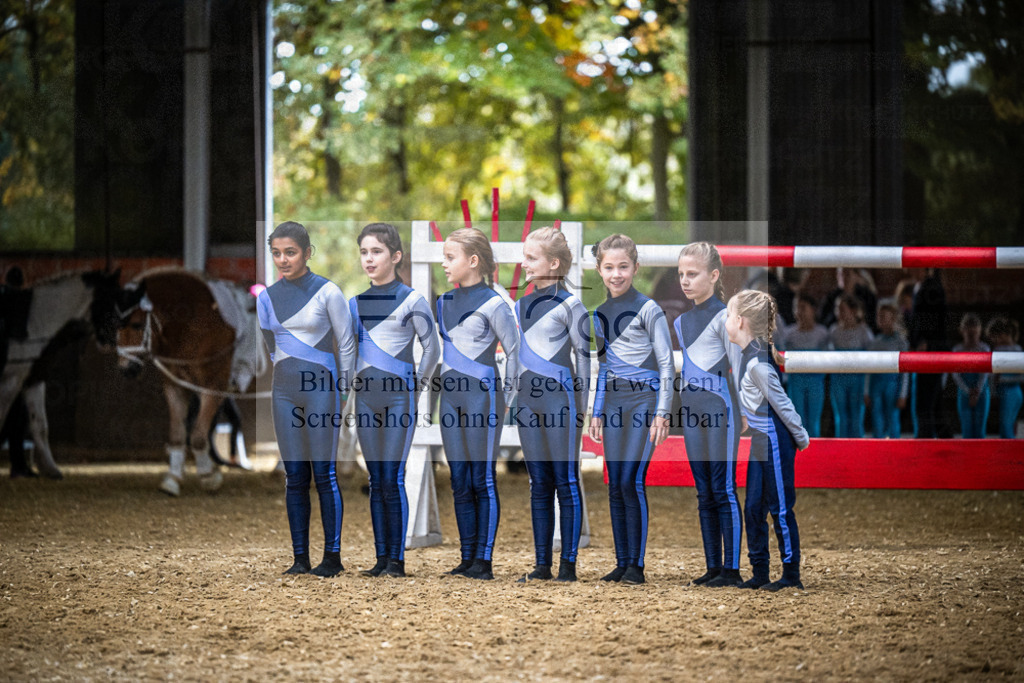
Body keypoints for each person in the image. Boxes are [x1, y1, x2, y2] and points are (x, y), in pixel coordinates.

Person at [257, 221, 356, 577]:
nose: (283, 260)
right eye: (277, 253)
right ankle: (300, 558)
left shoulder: (329, 292)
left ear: (307, 252)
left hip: (322, 391)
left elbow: (346, 344)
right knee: (294, 475)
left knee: (324, 473)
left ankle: (332, 557)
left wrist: (343, 390)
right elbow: (271, 345)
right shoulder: (265, 298)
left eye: (291, 252)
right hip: (284, 392)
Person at [351, 223, 440, 578]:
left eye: (377, 252)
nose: (369, 259)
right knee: (376, 479)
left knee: (393, 476)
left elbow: (432, 347)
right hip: (365, 400)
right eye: (364, 252)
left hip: (399, 398)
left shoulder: (413, 299)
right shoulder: (354, 303)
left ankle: (397, 561)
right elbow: (347, 349)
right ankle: (381, 558)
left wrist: (417, 384)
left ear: (396, 256)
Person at [588, 234, 674, 585]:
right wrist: (596, 411)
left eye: (623, 267)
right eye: (609, 267)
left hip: (644, 402)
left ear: (635, 268)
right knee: (614, 484)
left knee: (631, 479)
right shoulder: (598, 315)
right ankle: (622, 562)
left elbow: (667, 364)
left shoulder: (649, 309)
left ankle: (636, 566)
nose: (616, 274)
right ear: (599, 270)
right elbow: (604, 366)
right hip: (614, 405)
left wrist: (663, 412)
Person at [437, 228, 520, 581]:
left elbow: (515, 351)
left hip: (483, 397)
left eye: (450, 257)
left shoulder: (495, 303)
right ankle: (466, 556)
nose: (444, 264)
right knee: (459, 477)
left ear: (473, 261)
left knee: (482, 478)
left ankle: (483, 562)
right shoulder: (442, 302)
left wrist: (510, 399)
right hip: (450, 398)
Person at [514, 227, 591, 583]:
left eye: (531, 257)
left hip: (561, 402)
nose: (523, 263)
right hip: (528, 402)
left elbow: (584, 357)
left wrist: (582, 407)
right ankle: (542, 564)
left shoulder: (572, 304)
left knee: (565, 481)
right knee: (538, 482)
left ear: (554, 263)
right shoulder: (521, 304)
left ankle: (568, 566)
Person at [724, 289, 810, 591]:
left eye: (728, 316)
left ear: (741, 321)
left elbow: (782, 403)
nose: (725, 321)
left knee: (780, 507)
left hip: (775, 438)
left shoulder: (757, 363)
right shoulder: (750, 353)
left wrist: (800, 438)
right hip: (762, 438)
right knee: (753, 508)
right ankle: (759, 571)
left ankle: (790, 575)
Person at [673, 242, 743, 587]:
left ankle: (731, 570)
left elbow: (739, 367)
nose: (685, 281)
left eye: (693, 274)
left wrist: (744, 410)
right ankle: (713, 566)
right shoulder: (682, 322)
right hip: (692, 412)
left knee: (723, 488)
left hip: (720, 409)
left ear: (714, 276)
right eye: (682, 274)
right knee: (704, 491)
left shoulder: (726, 318)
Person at [777, 294, 829, 438]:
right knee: (797, 421)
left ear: (813, 310)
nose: (798, 311)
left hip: (816, 382)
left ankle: (814, 454)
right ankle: (799, 456)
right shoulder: (789, 334)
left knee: (813, 421)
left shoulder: (822, 333)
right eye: (796, 307)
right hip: (796, 382)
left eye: (803, 307)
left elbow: (828, 360)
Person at [828, 294, 873, 438]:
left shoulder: (864, 332)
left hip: (858, 380)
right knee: (841, 418)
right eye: (837, 309)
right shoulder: (834, 331)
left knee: (856, 418)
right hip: (838, 380)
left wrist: (866, 388)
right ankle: (841, 453)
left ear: (853, 311)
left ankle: (858, 452)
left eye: (842, 309)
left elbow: (872, 362)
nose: (838, 313)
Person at [909, 268, 947, 438]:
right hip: (927, 347)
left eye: (914, 266)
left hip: (930, 350)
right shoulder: (922, 287)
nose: (910, 270)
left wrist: (925, 341)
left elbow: (934, 318)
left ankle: (924, 442)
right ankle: (945, 441)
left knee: (925, 402)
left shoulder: (932, 288)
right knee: (935, 403)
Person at [865, 302, 909, 439]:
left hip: (893, 384)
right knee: (877, 418)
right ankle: (878, 448)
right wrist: (866, 391)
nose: (880, 319)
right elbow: (867, 368)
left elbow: (905, 372)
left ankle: (894, 448)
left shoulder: (901, 342)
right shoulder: (875, 342)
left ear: (893, 319)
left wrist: (903, 394)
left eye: (884, 316)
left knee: (893, 417)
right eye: (879, 316)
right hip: (876, 384)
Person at [952, 313, 990, 439]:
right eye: (969, 333)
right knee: (966, 430)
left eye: (975, 333)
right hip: (964, 391)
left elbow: (985, 373)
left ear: (980, 331)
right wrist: (968, 391)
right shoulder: (957, 349)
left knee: (980, 430)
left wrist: (977, 390)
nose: (972, 336)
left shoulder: (984, 348)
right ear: (962, 331)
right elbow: (955, 374)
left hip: (981, 391)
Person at [986, 317, 1022, 439]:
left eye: (994, 337)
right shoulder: (997, 349)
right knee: (1004, 425)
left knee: (1007, 426)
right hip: (1002, 391)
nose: (993, 341)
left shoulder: (1018, 350)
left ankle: (1012, 455)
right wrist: (992, 392)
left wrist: (1001, 380)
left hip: (1013, 391)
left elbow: (1022, 378)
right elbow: (991, 376)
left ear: (1002, 334)